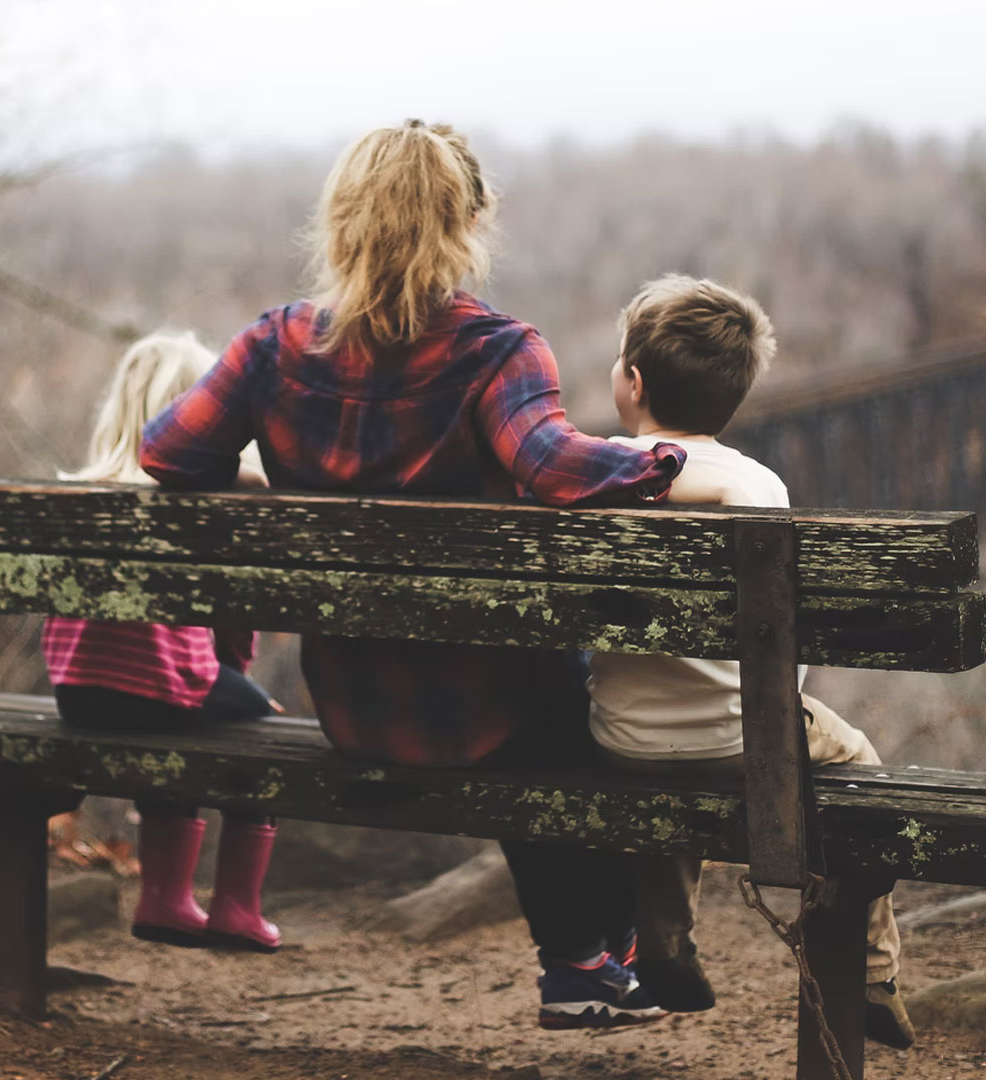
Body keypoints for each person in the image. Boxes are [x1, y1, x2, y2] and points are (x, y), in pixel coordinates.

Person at [139, 120, 731, 1030]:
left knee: (547, 693)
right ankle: (588, 961)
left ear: (339, 221)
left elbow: (166, 453)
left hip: (353, 708)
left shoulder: (272, 347)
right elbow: (557, 468)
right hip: (491, 715)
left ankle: (590, 960)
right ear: (468, 224)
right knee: (579, 703)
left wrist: (258, 474)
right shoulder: (495, 351)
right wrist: (669, 465)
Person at [587, 273, 914, 1048]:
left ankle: (663, 944)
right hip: (747, 739)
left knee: (666, 744)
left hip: (621, 739)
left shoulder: (591, 473)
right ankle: (872, 971)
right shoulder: (758, 485)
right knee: (858, 762)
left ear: (632, 383)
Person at [43, 331, 283, 953]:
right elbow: (231, 624)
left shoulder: (78, 494)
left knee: (177, 709)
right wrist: (238, 681)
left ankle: (165, 899)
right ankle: (235, 909)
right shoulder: (199, 501)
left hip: (77, 694)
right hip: (161, 688)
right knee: (260, 728)